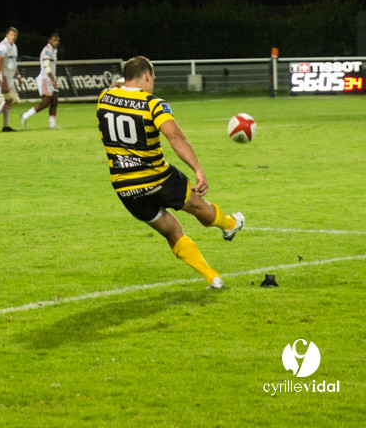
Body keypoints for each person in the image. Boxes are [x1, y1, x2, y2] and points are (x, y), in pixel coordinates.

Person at [96, 55, 245, 290]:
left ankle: (212, 277)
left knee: (173, 232)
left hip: (126, 188)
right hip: (160, 179)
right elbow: (175, 137)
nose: (153, 82)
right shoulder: (154, 104)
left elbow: (115, 88)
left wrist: (118, 85)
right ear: (146, 75)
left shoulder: (104, 99)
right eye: (152, 77)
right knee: (200, 208)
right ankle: (228, 224)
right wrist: (197, 168)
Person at [21, 33, 61, 129]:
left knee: (54, 101)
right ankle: (25, 115)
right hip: (45, 79)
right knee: (45, 103)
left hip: (51, 78)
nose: (56, 42)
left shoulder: (54, 50)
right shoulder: (47, 50)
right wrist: (52, 80)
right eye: (54, 40)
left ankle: (52, 124)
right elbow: (46, 66)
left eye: (58, 40)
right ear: (49, 40)